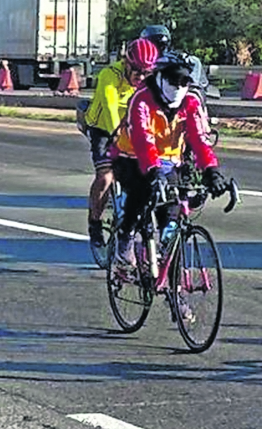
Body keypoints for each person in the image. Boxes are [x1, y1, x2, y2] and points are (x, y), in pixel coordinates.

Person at [109, 52, 227, 269]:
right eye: (173, 81)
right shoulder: (142, 99)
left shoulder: (191, 102)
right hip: (132, 158)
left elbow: (200, 139)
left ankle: (175, 290)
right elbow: (143, 139)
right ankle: (126, 235)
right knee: (142, 193)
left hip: (169, 161)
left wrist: (211, 171)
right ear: (160, 77)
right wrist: (154, 172)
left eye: (184, 82)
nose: (179, 87)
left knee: (172, 219)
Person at [84, 38, 158, 255]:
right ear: (126, 62)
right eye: (136, 71)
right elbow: (109, 107)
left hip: (132, 131)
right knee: (106, 177)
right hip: (104, 130)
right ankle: (95, 223)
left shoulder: (149, 81)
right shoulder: (110, 75)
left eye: (147, 72)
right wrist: (117, 135)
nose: (141, 77)